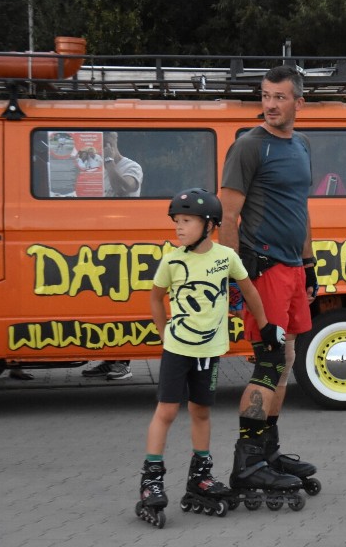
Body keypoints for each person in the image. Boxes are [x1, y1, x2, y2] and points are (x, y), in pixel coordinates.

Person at [136, 188, 285, 526]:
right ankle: (151, 479)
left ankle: (200, 474)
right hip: (178, 349)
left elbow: (249, 291)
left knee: (201, 412)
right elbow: (156, 299)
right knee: (168, 411)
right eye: (176, 221)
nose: (178, 227)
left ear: (209, 225)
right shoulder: (172, 260)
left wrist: (265, 328)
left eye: (186, 221)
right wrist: (165, 336)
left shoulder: (225, 257)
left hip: (209, 351)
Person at [219, 65, 320, 494]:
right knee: (270, 361)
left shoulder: (301, 145)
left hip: (293, 270)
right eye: (265, 96)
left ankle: (268, 452)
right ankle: (246, 464)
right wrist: (233, 277)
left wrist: (310, 263)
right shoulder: (249, 147)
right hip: (262, 269)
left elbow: (301, 208)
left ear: (299, 103)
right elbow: (226, 215)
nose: (271, 105)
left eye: (279, 97)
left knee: (287, 360)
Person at [81, 131, 143, 379]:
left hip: (124, 242)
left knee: (120, 298)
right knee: (104, 299)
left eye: (109, 140)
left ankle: (123, 364)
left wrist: (108, 161)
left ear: (116, 141)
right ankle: (109, 358)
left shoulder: (131, 166)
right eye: (101, 140)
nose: (105, 144)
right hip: (102, 239)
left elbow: (125, 188)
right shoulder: (94, 167)